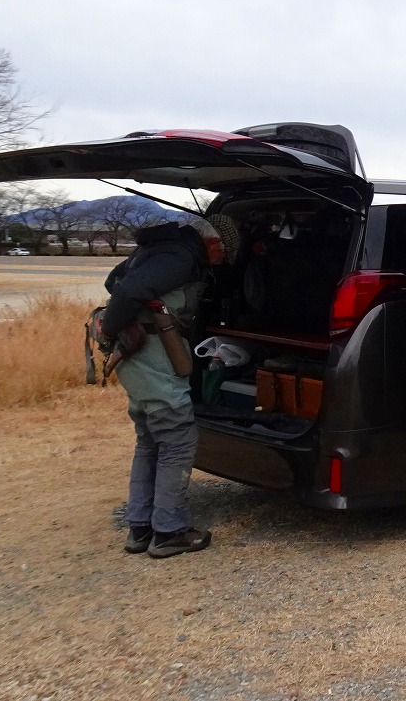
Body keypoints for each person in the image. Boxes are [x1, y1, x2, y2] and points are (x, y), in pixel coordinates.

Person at [98, 214, 240, 558]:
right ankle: (169, 531)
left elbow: (113, 280)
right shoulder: (180, 257)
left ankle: (140, 528)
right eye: (223, 252)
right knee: (177, 439)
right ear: (212, 242)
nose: (221, 260)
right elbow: (128, 290)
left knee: (149, 440)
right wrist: (110, 330)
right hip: (154, 358)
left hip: (138, 359)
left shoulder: (158, 249)